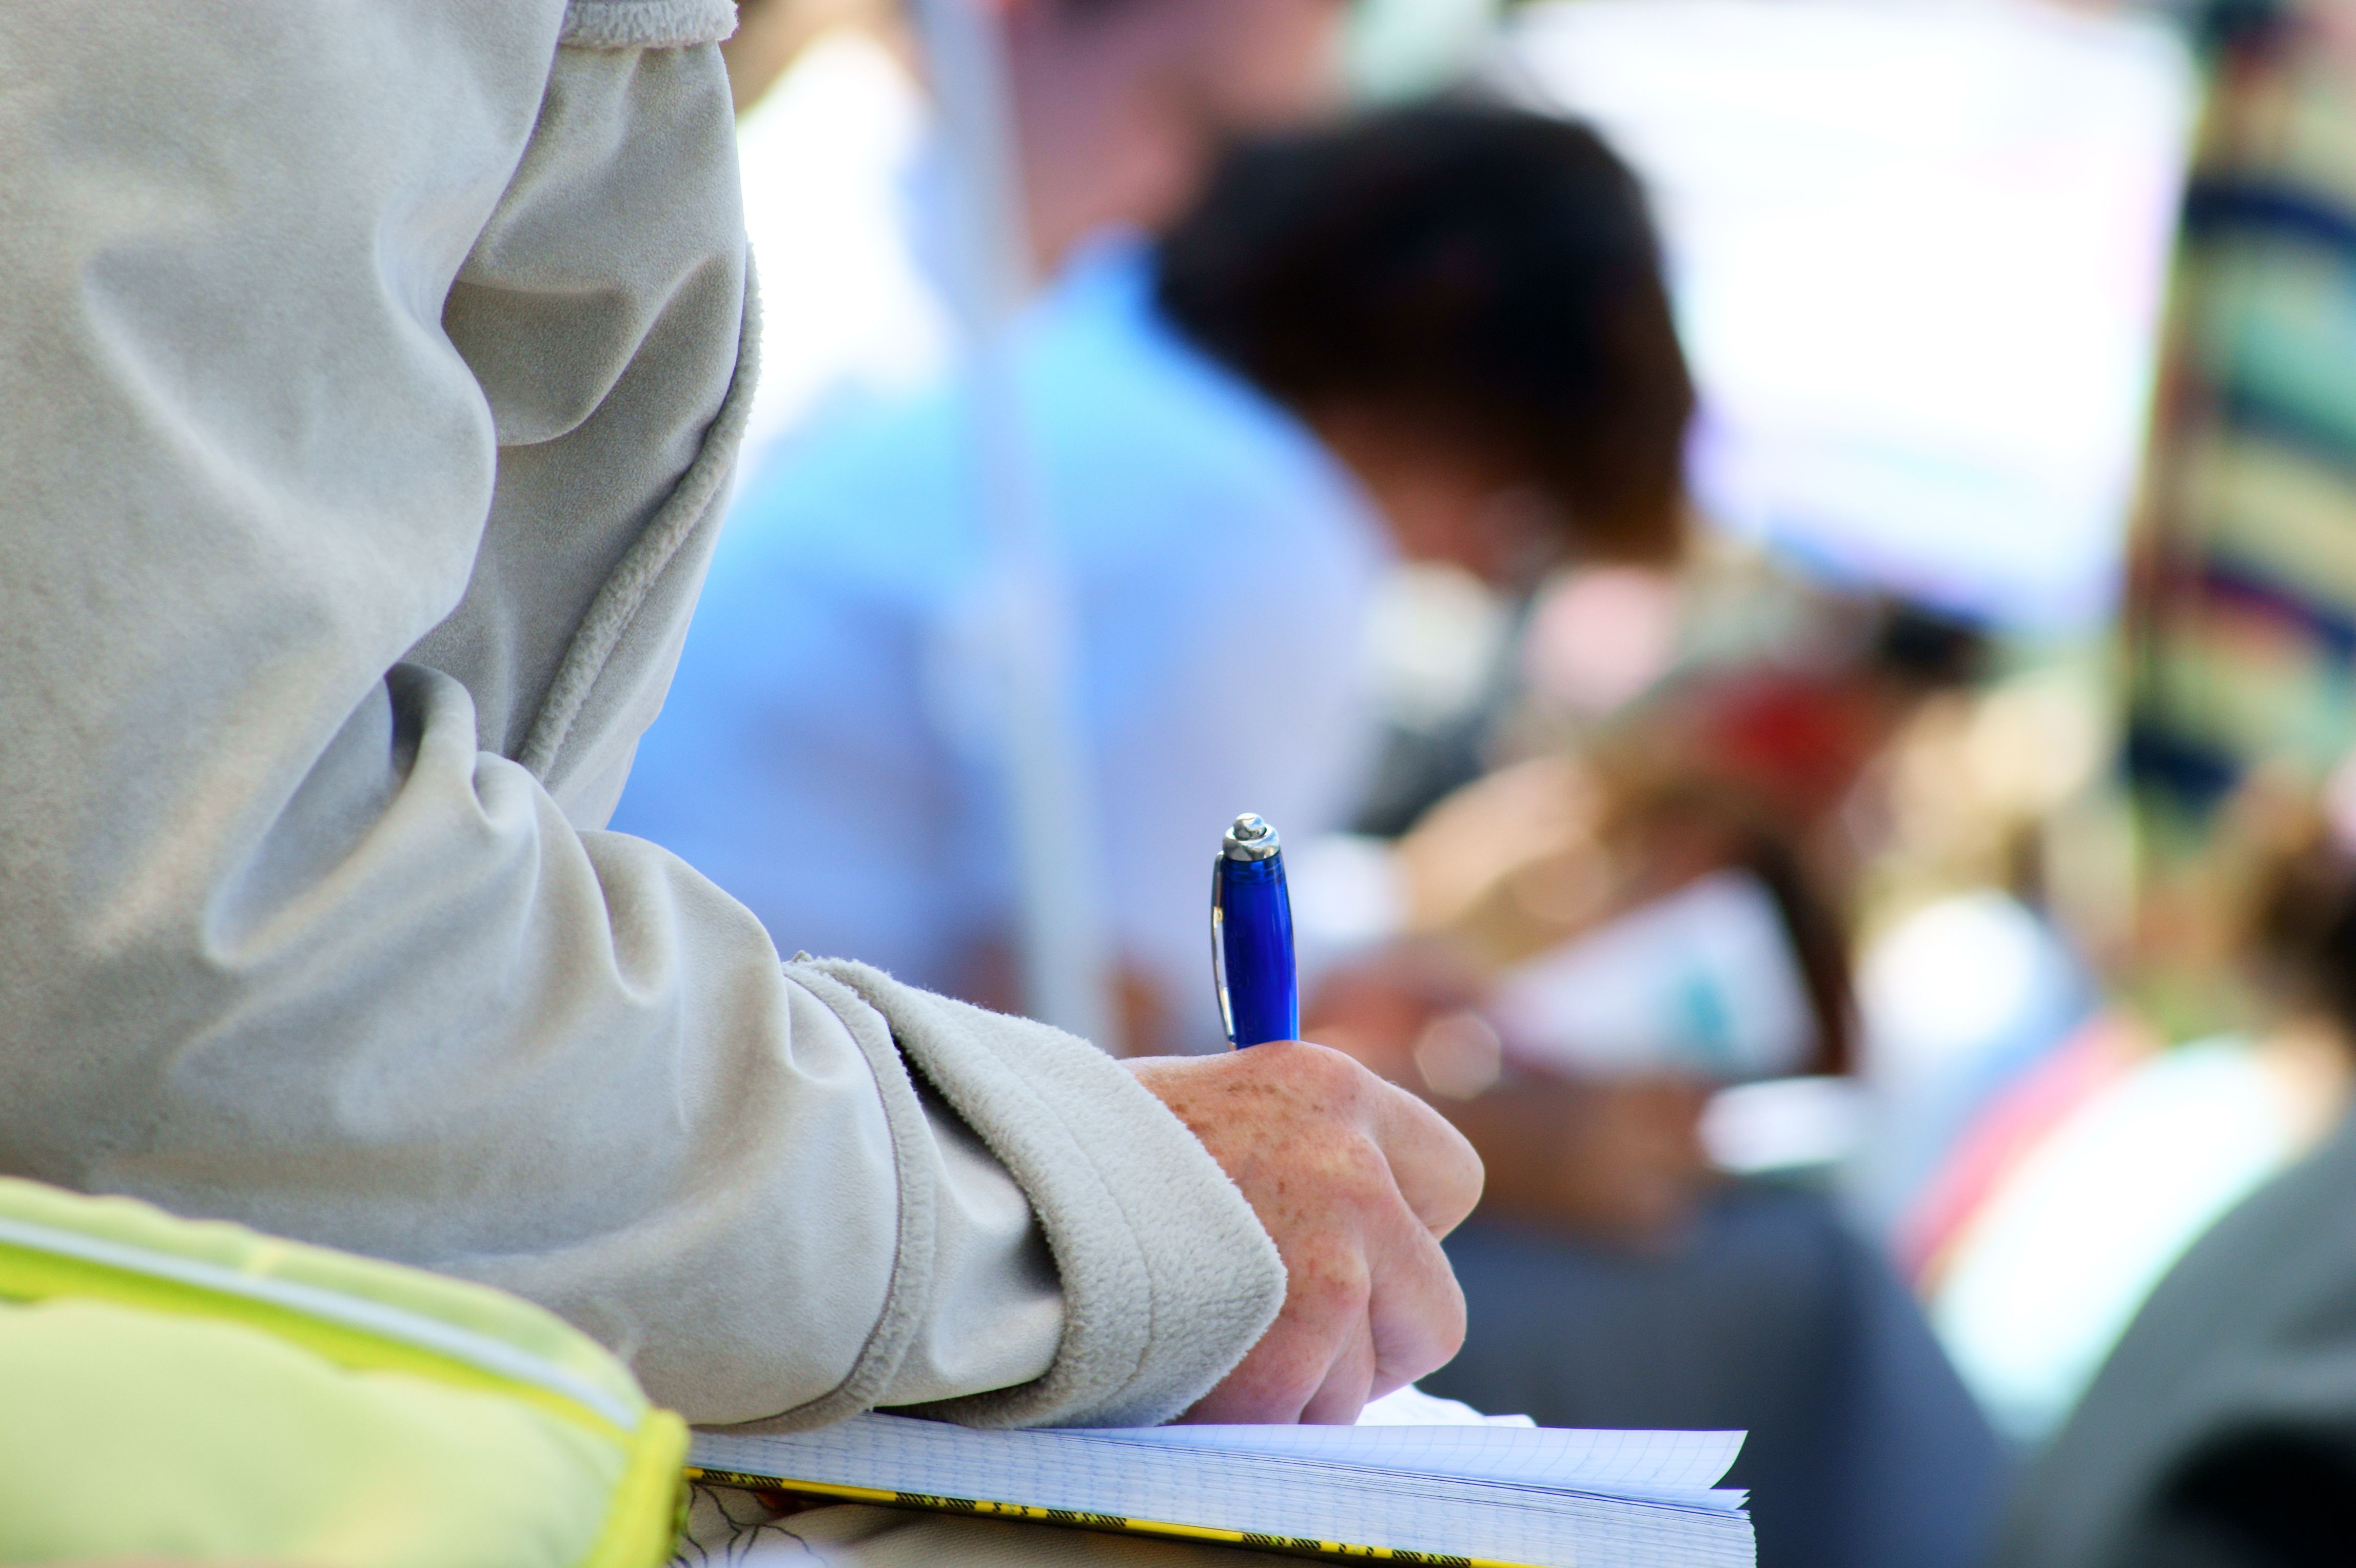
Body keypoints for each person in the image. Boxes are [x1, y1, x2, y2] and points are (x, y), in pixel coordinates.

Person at [0, 11, 1482, 1563]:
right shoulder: (1246, 512)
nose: (1193, 201)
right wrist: (1105, 1207)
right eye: (1203, 123)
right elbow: (184, 943)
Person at [612, 102, 1694, 1054]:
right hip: (711, 1110)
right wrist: (1510, 1149)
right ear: (1448, 411)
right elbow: (1056, 1080)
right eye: (1521, 520)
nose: (1471, 567)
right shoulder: (1254, 530)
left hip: (671, 1027)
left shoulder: (1107, 365)